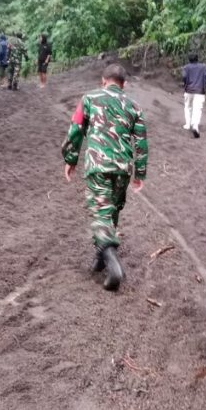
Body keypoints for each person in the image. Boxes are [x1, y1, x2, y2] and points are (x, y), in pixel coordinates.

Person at [62, 64, 148, 291]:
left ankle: (113, 265)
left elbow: (75, 129)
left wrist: (70, 159)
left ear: (103, 81)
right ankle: (100, 259)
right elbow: (141, 142)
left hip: (98, 165)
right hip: (122, 169)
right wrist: (140, 172)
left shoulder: (89, 98)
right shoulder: (134, 106)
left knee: (101, 213)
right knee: (112, 212)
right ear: (124, 84)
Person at [181, 53, 206, 138]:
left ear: (189, 59)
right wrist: (204, 87)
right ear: (197, 59)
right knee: (197, 109)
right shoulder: (203, 67)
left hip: (189, 90)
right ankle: (195, 126)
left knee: (188, 107)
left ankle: (188, 124)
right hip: (200, 91)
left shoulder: (186, 68)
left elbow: (184, 77)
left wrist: (186, 86)